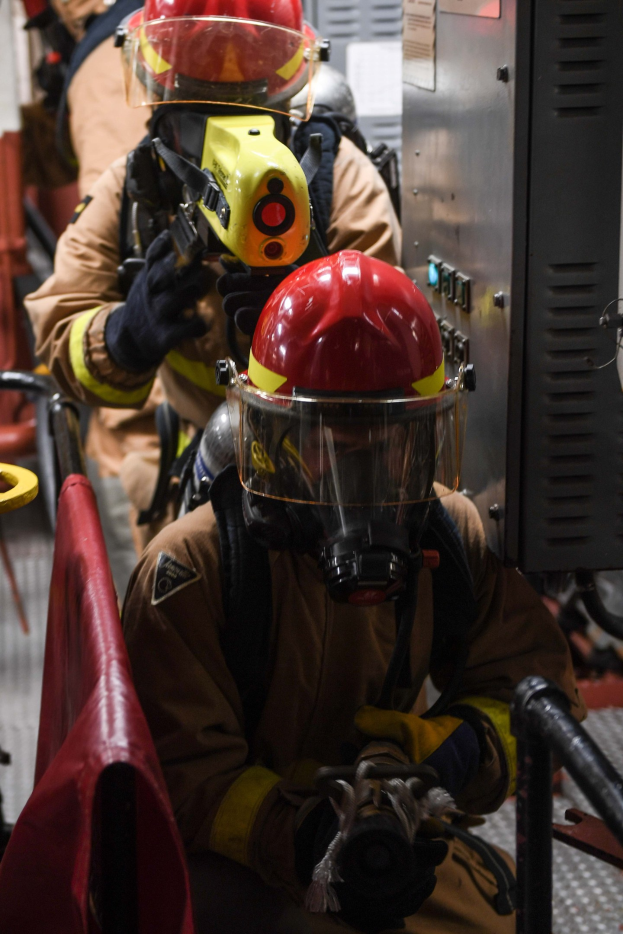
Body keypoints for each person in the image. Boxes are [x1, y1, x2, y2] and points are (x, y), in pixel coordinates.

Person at [122, 251, 586, 933]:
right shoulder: (192, 571)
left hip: (393, 837)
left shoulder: (451, 537)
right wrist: (309, 836)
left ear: (427, 435)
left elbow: (542, 702)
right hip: (235, 859)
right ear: (269, 437)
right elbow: (179, 779)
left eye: (386, 443)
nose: (357, 477)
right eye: (324, 444)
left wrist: (449, 754)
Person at [24, 0, 400, 549]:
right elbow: (61, 331)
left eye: (248, 112)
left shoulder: (340, 183)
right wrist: (125, 336)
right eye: (199, 114)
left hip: (332, 480)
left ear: (283, 104)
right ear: (164, 107)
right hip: (186, 466)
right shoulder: (133, 190)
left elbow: (394, 367)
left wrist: (314, 319)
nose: (223, 143)